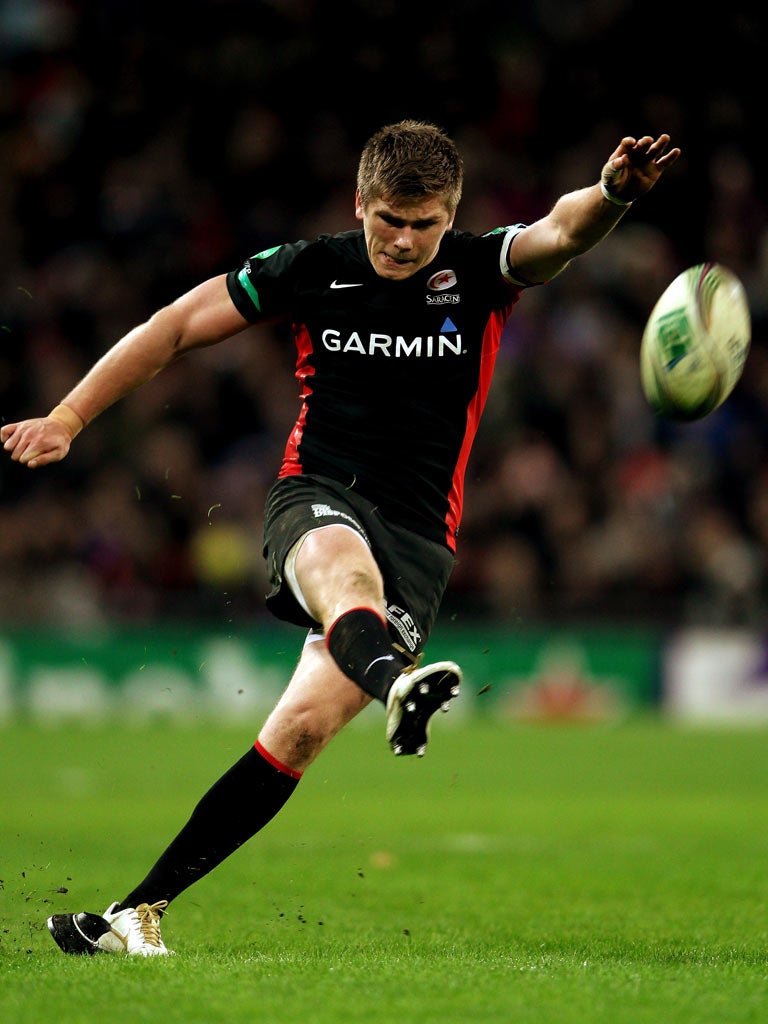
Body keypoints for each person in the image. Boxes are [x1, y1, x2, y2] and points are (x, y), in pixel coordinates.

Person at [2, 120, 680, 956]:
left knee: (296, 734)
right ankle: (398, 681)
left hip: (422, 542)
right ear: (359, 203)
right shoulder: (311, 268)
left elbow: (561, 232)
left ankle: (130, 915)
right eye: (387, 219)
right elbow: (176, 324)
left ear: (451, 214)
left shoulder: (479, 270)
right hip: (317, 497)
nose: (403, 241)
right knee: (343, 575)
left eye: (423, 223)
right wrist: (69, 416)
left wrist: (612, 193)